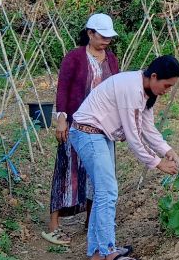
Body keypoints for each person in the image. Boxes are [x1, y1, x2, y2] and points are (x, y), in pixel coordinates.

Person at [68, 55, 179, 260]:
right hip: (88, 133)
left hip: (100, 135)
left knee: (104, 191)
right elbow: (133, 135)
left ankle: (96, 253)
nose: (167, 90)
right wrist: (157, 163)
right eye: (167, 85)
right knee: (108, 192)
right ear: (155, 76)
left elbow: (147, 128)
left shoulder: (147, 92)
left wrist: (167, 150)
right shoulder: (131, 88)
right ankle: (109, 253)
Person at [42, 13, 120, 246]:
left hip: (102, 126)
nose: (106, 40)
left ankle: (91, 221)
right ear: (90, 33)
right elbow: (63, 89)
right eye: (102, 35)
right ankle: (54, 225)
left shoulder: (112, 60)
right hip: (76, 124)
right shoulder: (74, 58)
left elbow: (115, 91)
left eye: (109, 36)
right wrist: (61, 119)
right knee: (67, 168)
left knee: (97, 174)